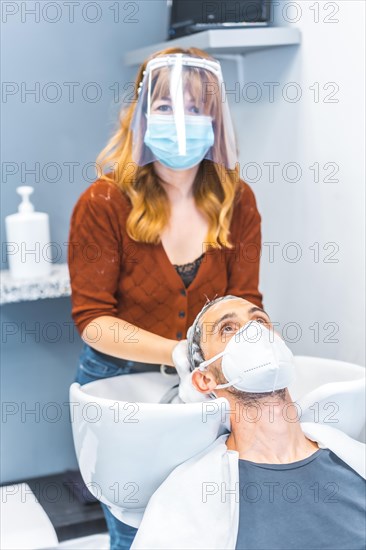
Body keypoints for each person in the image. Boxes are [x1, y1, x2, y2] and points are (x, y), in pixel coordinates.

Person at [67, 47, 263, 550]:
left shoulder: (236, 201)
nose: (181, 122)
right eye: (165, 106)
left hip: (208, 389)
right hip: (120, 387)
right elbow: (93, 320)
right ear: (138, 116)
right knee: (136, 530)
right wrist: (180, 353)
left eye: (196, 109)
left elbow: (244, 302)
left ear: (216, 120)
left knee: (206, 523)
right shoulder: (104, 202)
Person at [130, 295, 366, 550]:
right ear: (205, 380)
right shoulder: (189, 497)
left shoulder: (353, 461)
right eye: (228, 328)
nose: (254, 333)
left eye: (260, 321)